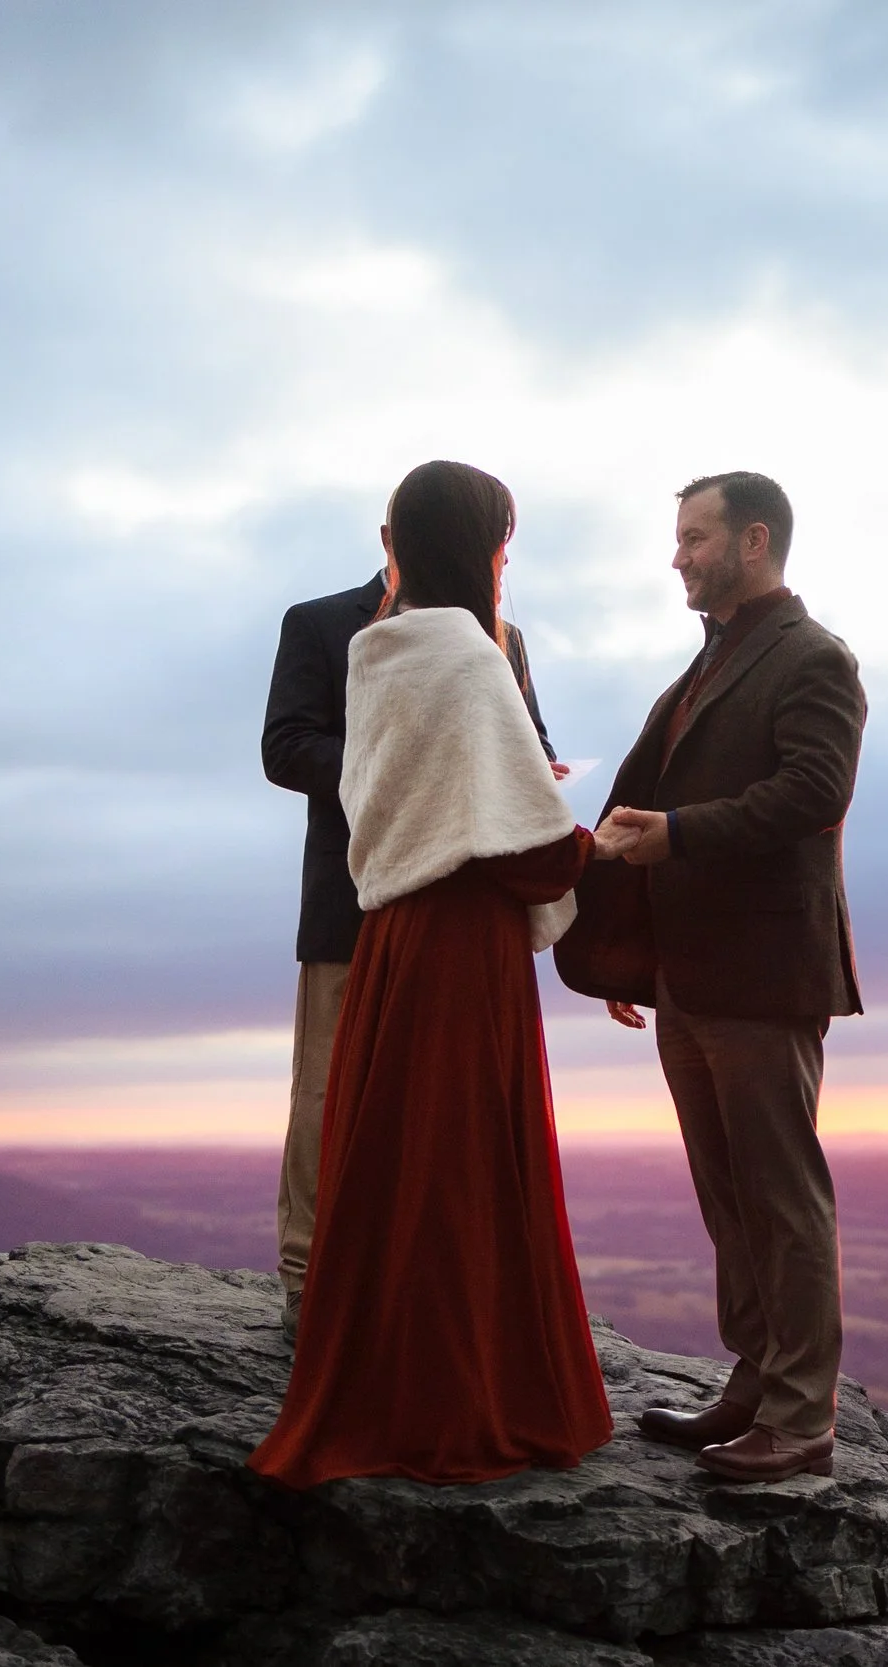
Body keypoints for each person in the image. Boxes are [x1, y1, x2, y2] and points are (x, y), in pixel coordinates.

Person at [246, 459, 616, 1489]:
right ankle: (448, 1371)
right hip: (453, 930)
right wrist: (590, 849)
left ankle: (361, 1343)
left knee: (386, 1130)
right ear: (478, 543)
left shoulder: (389, 647)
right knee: (452, 1149)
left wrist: (467, 773)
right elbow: (523, 840)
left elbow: (506, 759)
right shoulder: (453, 647)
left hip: (394, 913)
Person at [593, 471, 867, 1484]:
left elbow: (814, 791)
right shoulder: (708, 665)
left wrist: (674, 835)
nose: (678, 556)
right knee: (728, 1195)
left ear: (754, 541)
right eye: (678, 538)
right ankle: (754, 1380)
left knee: (781, 1197)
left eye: (694, 537)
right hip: (689, 972)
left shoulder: (813, 656)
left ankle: (800, 1417)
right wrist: (628, 940)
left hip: (762, 972)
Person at [260, 514, 560, 1341]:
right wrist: (397, 762)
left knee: (444, 1105)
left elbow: (530, 742)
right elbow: (286, 747)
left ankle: (424, 1290)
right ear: (392, 533)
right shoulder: (321, 623)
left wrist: (536, 768)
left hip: (460, 902)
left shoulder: (503, 640)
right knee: (327, 1092)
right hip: (352, 898)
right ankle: (308, 1283)